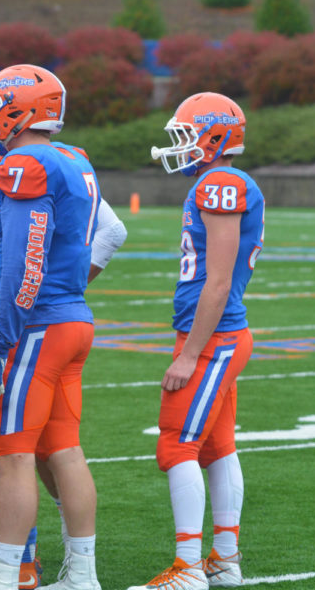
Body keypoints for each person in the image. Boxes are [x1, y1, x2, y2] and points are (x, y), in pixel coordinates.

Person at [0, 64, 102, 590]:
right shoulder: (72, 158)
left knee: (12, 454)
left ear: (18, 108)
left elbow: (21, 268)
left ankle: (5, 575)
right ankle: (83, 575)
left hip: (39, 326)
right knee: (65, 449)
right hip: (73, 318)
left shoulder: (26, 162)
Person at [129, 92, 263, 590]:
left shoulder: (223, 183)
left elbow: (219, 280)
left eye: (187, 136)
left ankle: (187, 569)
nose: (180, 147)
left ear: (215, 137)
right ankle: (224, 559)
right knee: (217, 447)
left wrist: (189, 354)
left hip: (215, 336)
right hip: (218, 334)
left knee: (176, 442)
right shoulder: (215, 181)